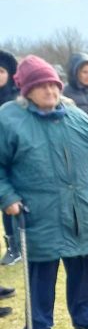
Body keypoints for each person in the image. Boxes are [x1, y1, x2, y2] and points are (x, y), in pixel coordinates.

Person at [0, 56, 88, 329]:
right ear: (27, 91)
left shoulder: (78, 118)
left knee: (84, 266)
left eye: (53, 85)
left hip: (81, 209)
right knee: (43, 271)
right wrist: (7, 197)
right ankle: (41, 327)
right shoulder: (9, 120)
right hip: (38, 212)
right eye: (42, 86)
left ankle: (87, 318)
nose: (50, 91)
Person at [0, 49, 21, 265]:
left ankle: (17, 247)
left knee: (12, 204)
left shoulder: (16, 100)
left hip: (14, 161)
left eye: (1, 71)